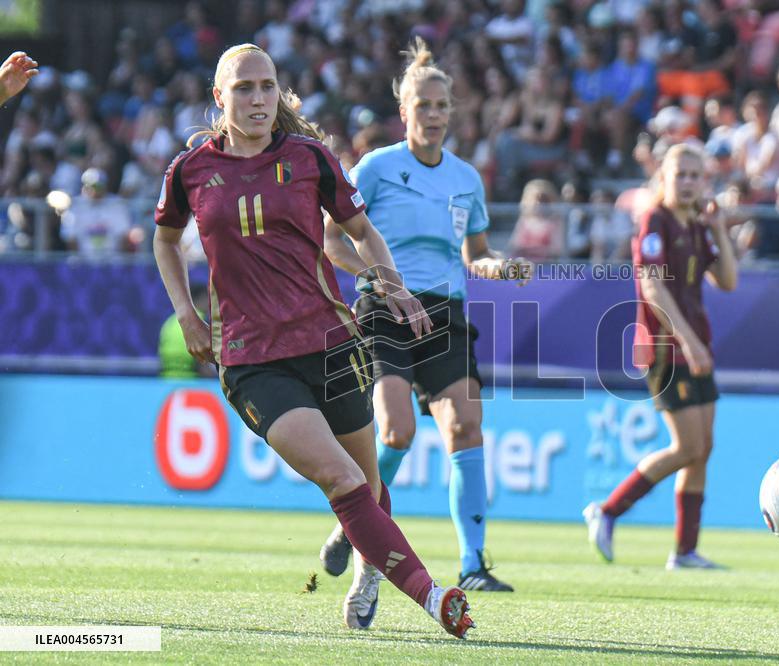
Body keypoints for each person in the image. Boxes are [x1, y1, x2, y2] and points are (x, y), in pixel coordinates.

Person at [152, 43, 474, 639]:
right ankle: (434, 597)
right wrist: (188, 314)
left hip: (330, 344)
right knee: (343, 481)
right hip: (252, 361)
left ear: (279, 93)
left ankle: (368, 575)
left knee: (369, 484)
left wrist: (394, 288)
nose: (257, 98)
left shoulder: (309, 159)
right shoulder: (191, 169)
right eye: (244, 88)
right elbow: (165, 241)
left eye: (267, 86)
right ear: (219, 98)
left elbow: (362, 233)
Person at [320, 38, 533, 594]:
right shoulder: (375, 168)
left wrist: (497, 266)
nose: (434, 116)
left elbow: (475, 254)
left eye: (442, 106)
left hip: (444, 311)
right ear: (404, 112)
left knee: (465, 427)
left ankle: (474, 564)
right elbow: (332, 240)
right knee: (397, 429)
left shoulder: (466, 178)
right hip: (386, 306)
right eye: (424, 106)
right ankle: (358, 522)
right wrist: (369, 277)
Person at [583, 143, 738, 570]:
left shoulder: (697, 225)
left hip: (695, 343)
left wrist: (720, 229)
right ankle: (608, 510)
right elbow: (651, 287)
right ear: (664, 178)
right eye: (680, 174)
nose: (688, 182)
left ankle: (685, 551)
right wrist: (687, 341)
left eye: (695, 175)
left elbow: (727, 280)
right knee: (687, 446)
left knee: (703, 448)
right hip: (667, 348)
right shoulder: (656, 220)